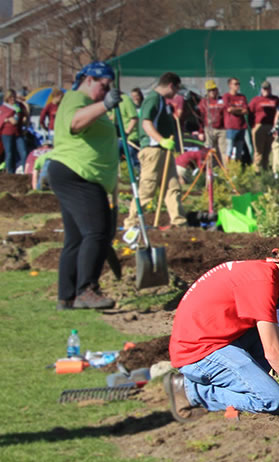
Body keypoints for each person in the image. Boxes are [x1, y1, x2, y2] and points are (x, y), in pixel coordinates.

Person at [163, 232, 279, 424]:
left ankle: (253, 380)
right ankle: (190, 390)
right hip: (199, 353)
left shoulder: (265, 272)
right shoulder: (262, 282)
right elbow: (273, 351)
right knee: (273, 400)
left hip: (218, 339)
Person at [51, 62, 121, 310]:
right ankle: (86, 290)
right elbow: (75, 123)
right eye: (103, 86)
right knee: (97, 233)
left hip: (75, 173)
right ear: (89, 79)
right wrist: (105, 105)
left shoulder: (84, 100)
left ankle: (66, 295)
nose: (105, 92)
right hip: (79, 174)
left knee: (77, 238)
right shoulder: (76, 98)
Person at [130, 72, 186, 229]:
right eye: (176, 89)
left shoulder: (162, 100)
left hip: (163, 151)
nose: (176, 93)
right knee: (147, 189)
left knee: (172, 186)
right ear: (170, 85)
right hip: (153, 150)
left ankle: (178, 222)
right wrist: (161, 140)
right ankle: (132, 223)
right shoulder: (153, 99)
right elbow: (146, 123)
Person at [248, 82, 279, 171]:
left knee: (268, 150)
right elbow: (250, 113)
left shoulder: (275, 99)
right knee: (258, 150)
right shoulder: (256, 100)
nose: (266, 90)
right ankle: (256, 170)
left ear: (270, 89)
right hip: (259, 126)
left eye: (267, 89)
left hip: (271, 126)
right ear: (261, 90)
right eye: (264, 89)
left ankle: (265, 169)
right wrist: (253, 126)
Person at [221, 78, 249, 163]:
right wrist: (240, 109)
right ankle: (228, 171)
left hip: (241, 127)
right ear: (230, 85)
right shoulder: (226, 96)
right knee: (229, 150)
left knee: (239, 151)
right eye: (235, 84)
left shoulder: (242, 97)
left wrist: (236, 109)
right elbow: (229, 109)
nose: (237, 86)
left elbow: (246, 111)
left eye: (238, 84)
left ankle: (237, 170)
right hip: (231, 127)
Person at [197, 80, 225, 157]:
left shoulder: (222, 100)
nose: (212, 92)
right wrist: (201, 131)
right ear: (207, 91)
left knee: (224, 151)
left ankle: (226, 168)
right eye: (210, 90)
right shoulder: (204, 102)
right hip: (209, 129)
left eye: (213, 90)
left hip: (222, 130)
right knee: (209, 151)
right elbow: (200, 117)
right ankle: (209, 168)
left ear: (217, 90)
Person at [0, 90, 23, 174]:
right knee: (9, 153)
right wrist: (7, 119)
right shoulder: (3, 108)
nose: (12, 99)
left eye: (14, 96)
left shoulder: (17, 107)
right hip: (6, 133)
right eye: (10, 97)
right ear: (7, 98)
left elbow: (17, 120)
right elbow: (1, 118)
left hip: (17, 133)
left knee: (22, 152)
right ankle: (9, 173)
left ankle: (25, 171)